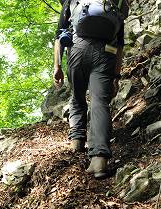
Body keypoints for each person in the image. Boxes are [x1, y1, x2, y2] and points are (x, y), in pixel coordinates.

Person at [53, 0, 126, 179]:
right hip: (107, 52)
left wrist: (57, 66)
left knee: (77, 97)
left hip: (78, 48)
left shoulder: (73, 2)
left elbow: (59, 36)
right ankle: (99, 160)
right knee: (99, 103)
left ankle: (77, 141)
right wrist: (116, 77)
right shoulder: (115, 3)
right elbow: (120, 45)